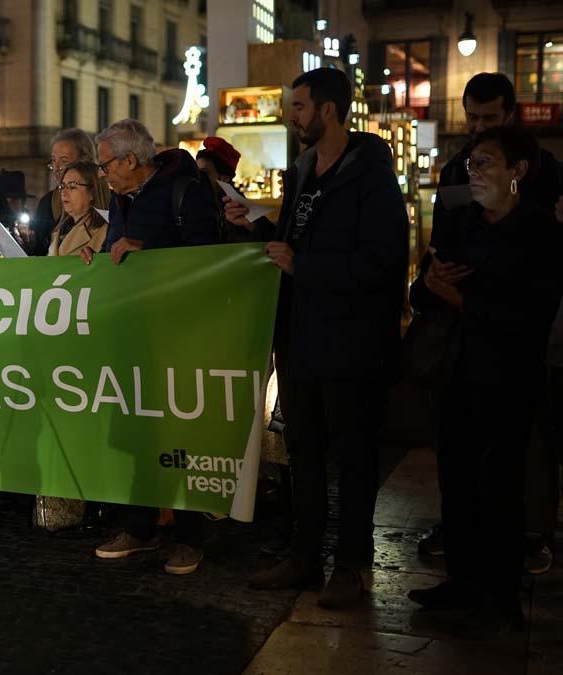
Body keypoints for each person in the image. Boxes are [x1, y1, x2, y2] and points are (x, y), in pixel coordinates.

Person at [225, 68, 408, 608]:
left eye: (299, 106)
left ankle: (350, 565)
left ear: (328, 110)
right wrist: (254, 227)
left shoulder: (371, 176)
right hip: (301, 338)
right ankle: (303, 557)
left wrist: (304, 267)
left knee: (352, 457)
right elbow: (289, 245)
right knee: (303, 452)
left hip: (352, 343)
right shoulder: (303, 168)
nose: (291, 116)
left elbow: (382, 264)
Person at [406, 126, 562, 628]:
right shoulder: (459, 221)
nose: (475, 173)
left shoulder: (541, 233)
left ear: (519, 171)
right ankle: (461, 580)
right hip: (456, 368)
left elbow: (532, 315)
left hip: (508, 376)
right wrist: (429, 286)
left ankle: (499, 599)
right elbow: (425, 294)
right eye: (472, 165)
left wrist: (465, 300)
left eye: (488, 163)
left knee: (499, 484)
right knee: (455, 479)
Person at [82, 119, 221, 576]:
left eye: (106, 166)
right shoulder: (122, 198)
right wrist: (99, 260)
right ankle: (139, 527)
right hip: (134, 336)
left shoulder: (186, 190)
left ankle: (189, 537)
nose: (103, 175)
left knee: (177, 438)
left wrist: (148, 250)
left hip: (178, 336)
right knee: (136, 432)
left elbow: (207, 259)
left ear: (129, 160)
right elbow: (120, 255)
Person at [31, 128, 105, 256]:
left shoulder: (109, 220)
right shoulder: (47, 203)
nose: (57, 168)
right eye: (54, 161)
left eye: (64, 161)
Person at [48, 160, 109, 257]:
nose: (64, 192)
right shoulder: (59, 230)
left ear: (92, 193)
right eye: (63, 186)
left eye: (72, 187)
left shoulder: (105, 232)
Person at [196, 136, 246, 243]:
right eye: (196, 172)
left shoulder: (238, 208)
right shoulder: (198, 199)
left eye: (204, 173)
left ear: (225, 178)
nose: (198, 178)